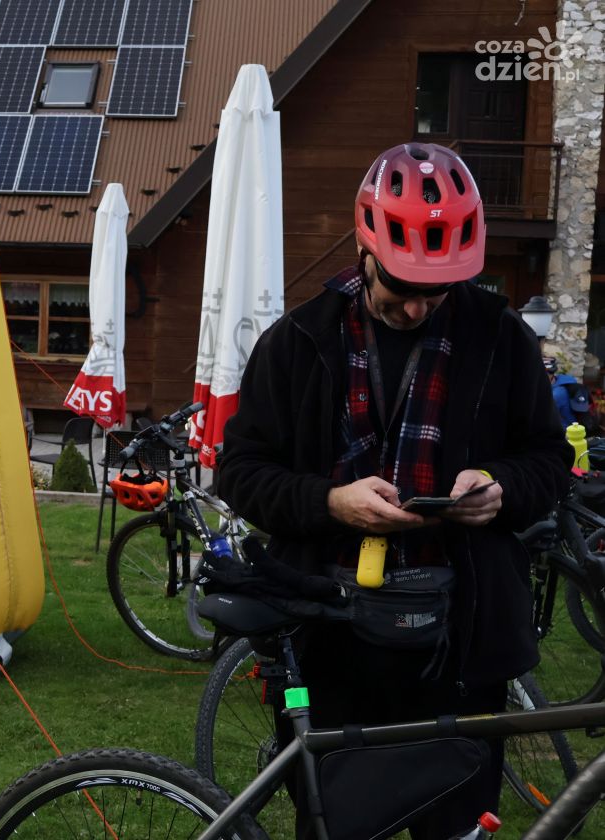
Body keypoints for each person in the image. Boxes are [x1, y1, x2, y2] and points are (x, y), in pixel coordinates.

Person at [216, 143, 570, 839]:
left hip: (462, 642)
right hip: (332, 639)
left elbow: (549, 460)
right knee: (338, 823)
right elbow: (241, 471)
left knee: (457, 823)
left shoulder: (499, 337)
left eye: (436, 292)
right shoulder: (297, 341)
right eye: (400, 286)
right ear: (364, 249)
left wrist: (500, 488)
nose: (415, 307)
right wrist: (330, 502)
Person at [546, 356, 592, 430]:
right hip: (575, 429)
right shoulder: (566, 381)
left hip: (565, 432)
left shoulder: (556, 394)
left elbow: (544, 418)